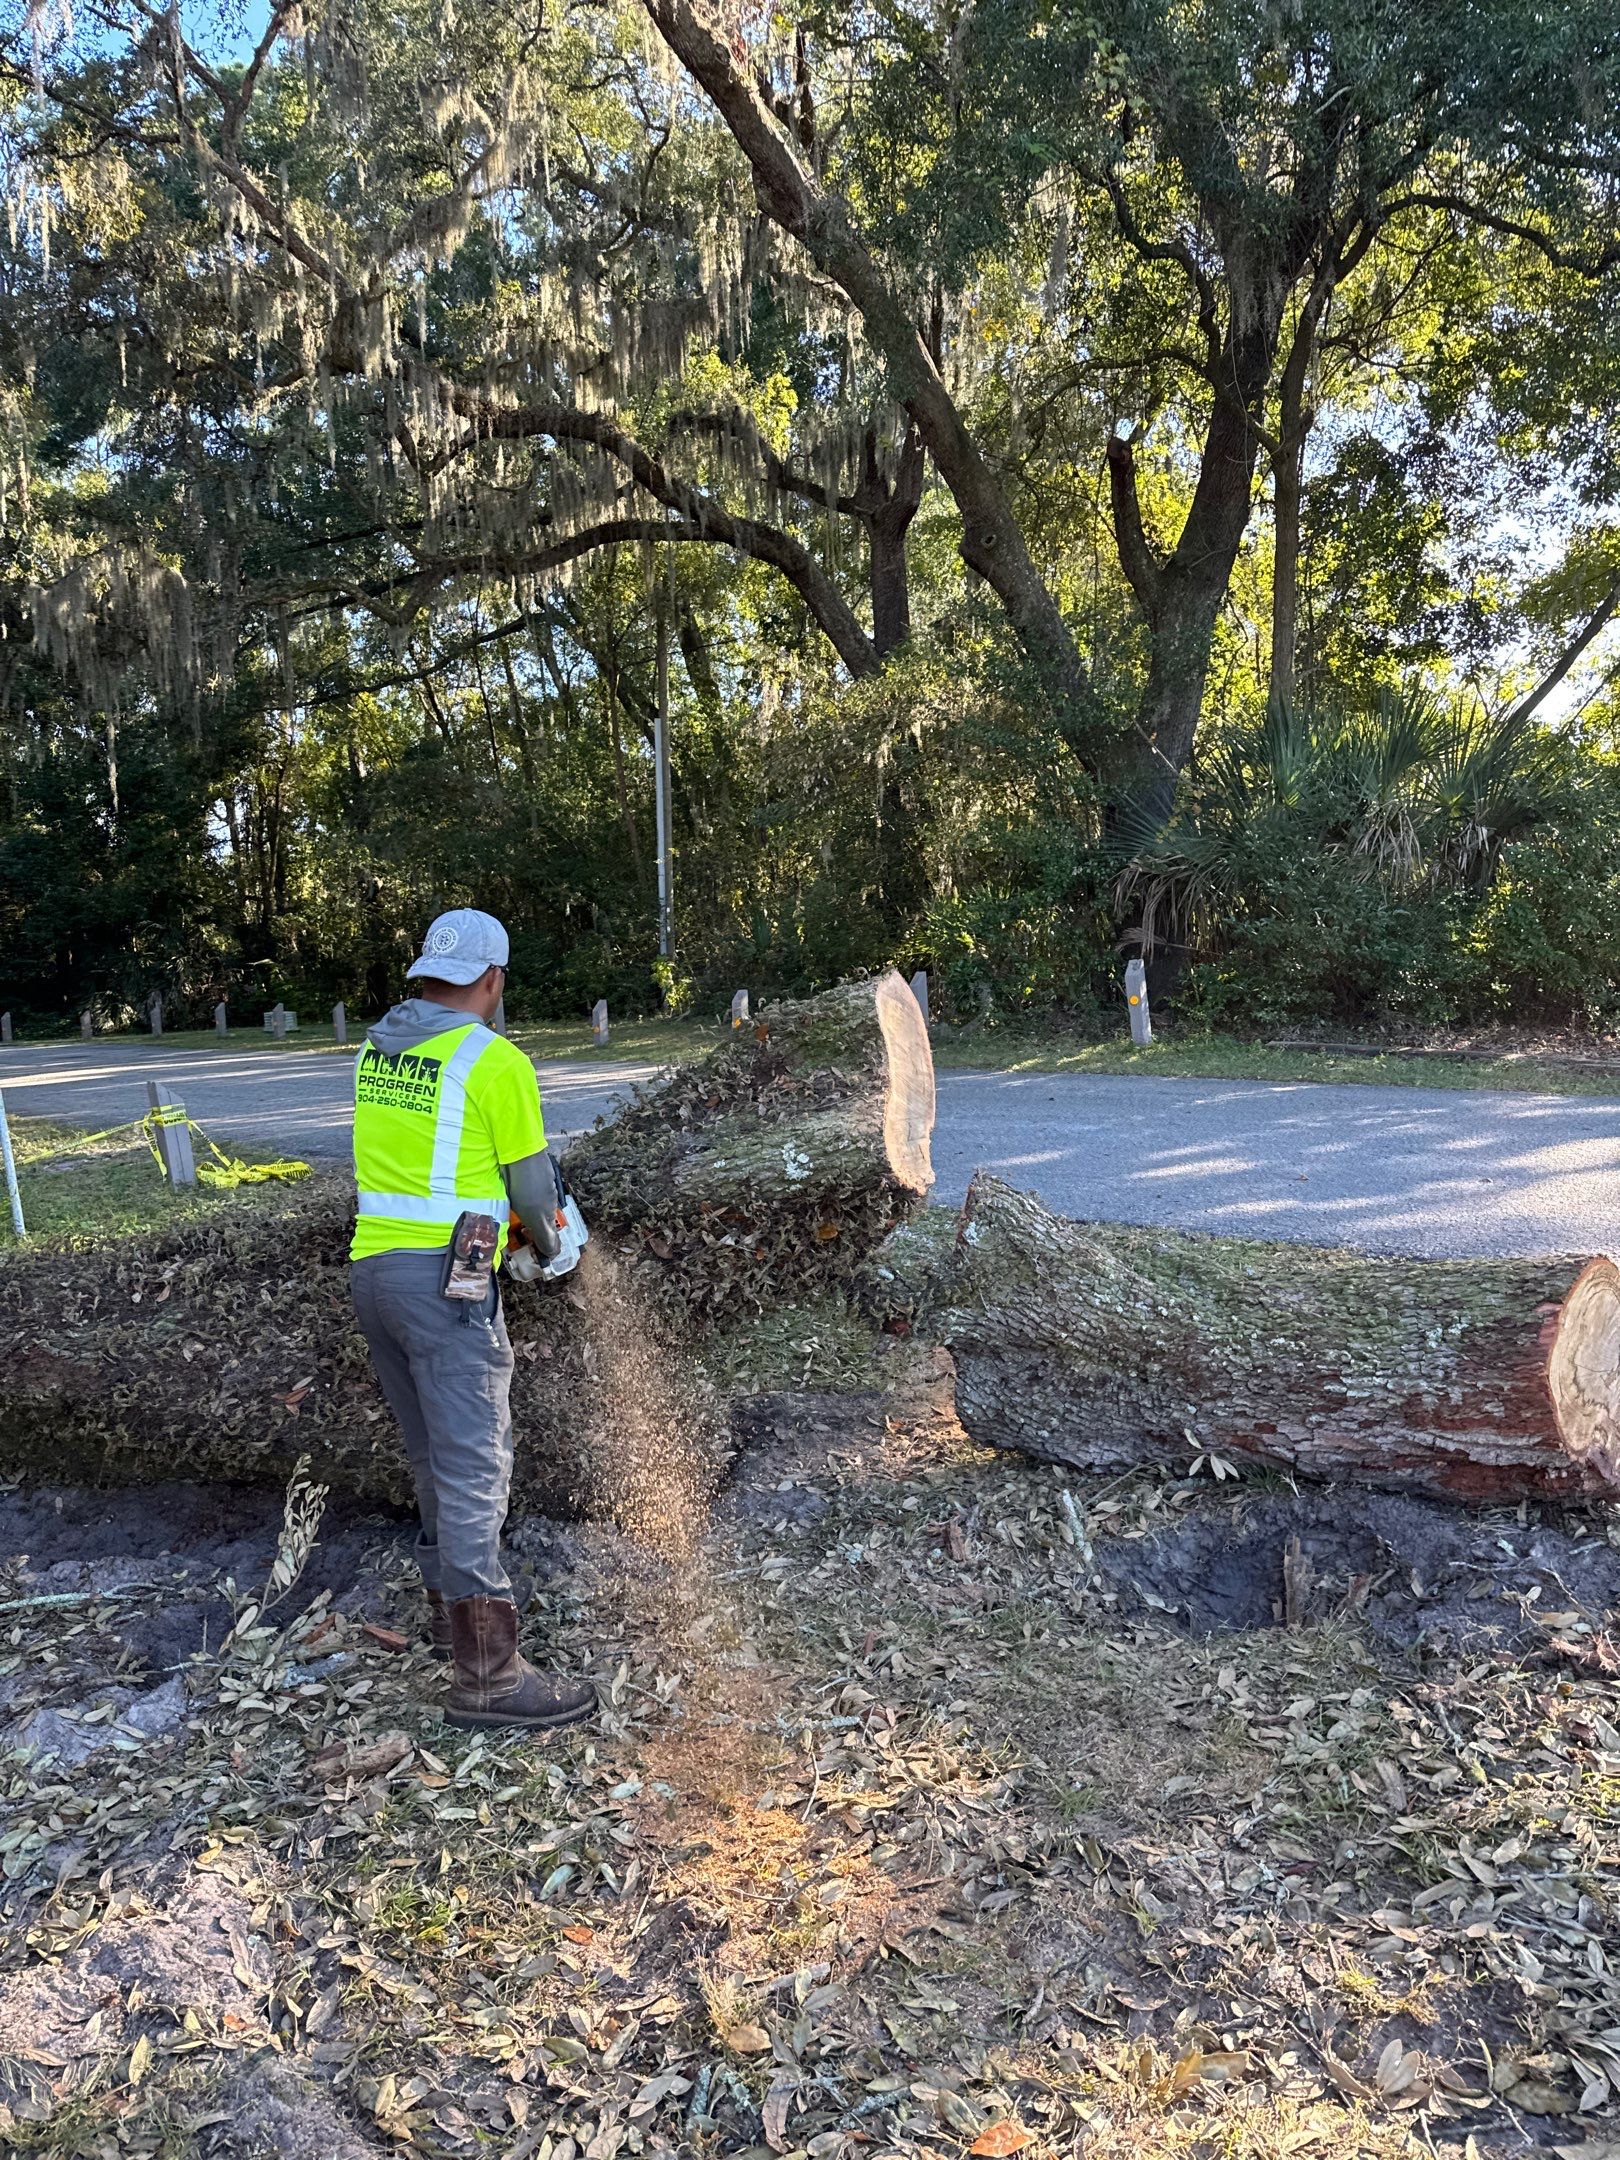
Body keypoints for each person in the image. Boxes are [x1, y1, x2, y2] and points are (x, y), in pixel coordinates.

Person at [348, 907, 596, 1732]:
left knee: (430, 1458)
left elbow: (435, 1169)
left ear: (425, 974)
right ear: (491, 982)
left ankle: (440, 1614)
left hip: (374, 1275)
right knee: (474, 1468)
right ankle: (488, 1677)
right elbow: (532, 1193)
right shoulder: (494, 1062)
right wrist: (554, 1245)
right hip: (444, 1291)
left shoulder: (374, 1053)